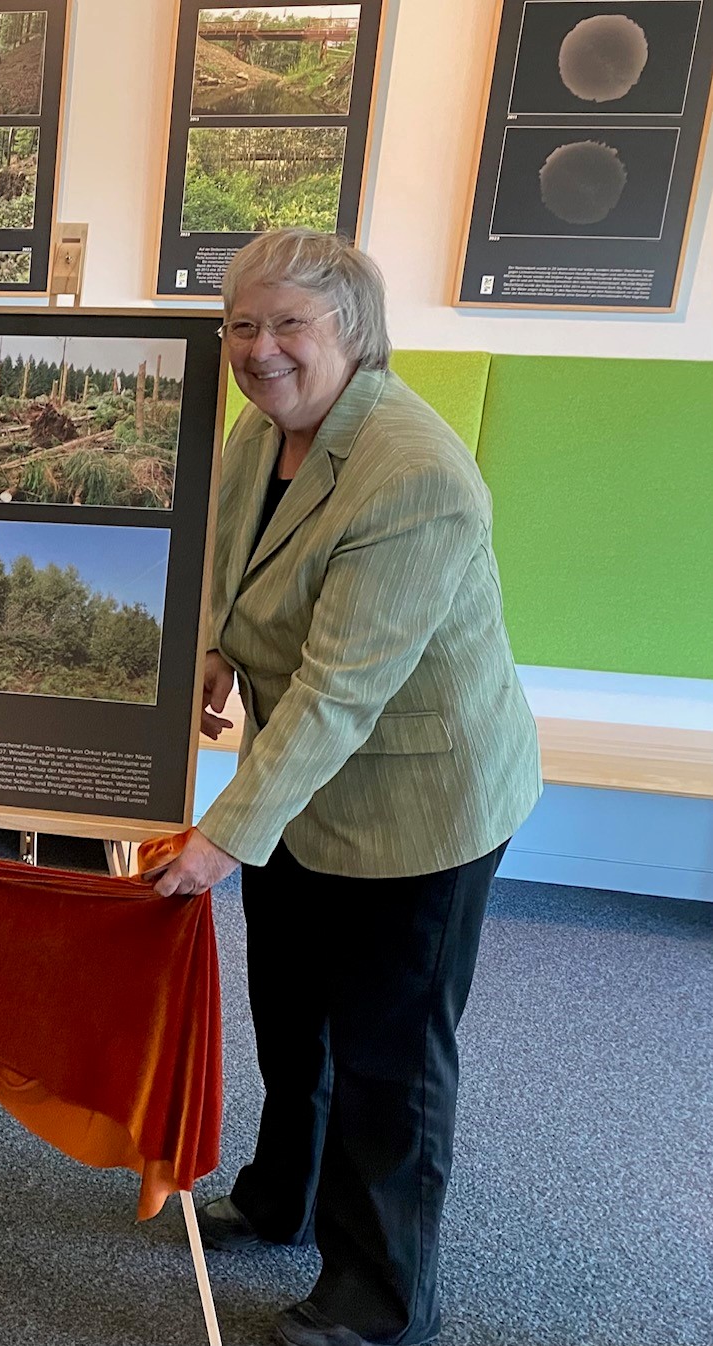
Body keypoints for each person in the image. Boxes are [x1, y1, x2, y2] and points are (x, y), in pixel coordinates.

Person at [148, 229, 542, 1346]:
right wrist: (217, 645)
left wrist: (221, 839)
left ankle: (383, 1295)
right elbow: (233, 548)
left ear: (355, 337)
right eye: (240, 324)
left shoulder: (414, 473)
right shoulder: (261, 429)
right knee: (293, 1011)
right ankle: (284, 1193)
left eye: (288, 326)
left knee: (390, 1051)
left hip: (420, 800)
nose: (259, 349)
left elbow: (340, 691)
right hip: (300, 784)